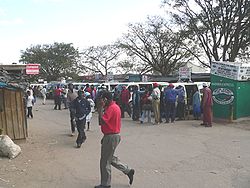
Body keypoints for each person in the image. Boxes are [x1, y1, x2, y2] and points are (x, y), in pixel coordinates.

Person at [95, 91, 135, 188]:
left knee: (105, 161)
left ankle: (106, 184)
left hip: (111, 136)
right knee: (109, 158)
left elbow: (101, 121)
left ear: (105, 99)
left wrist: (100, 108)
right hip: (111, 135)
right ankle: (128, 170)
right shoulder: (113, 106)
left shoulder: (111, 108)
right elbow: (102, 123)